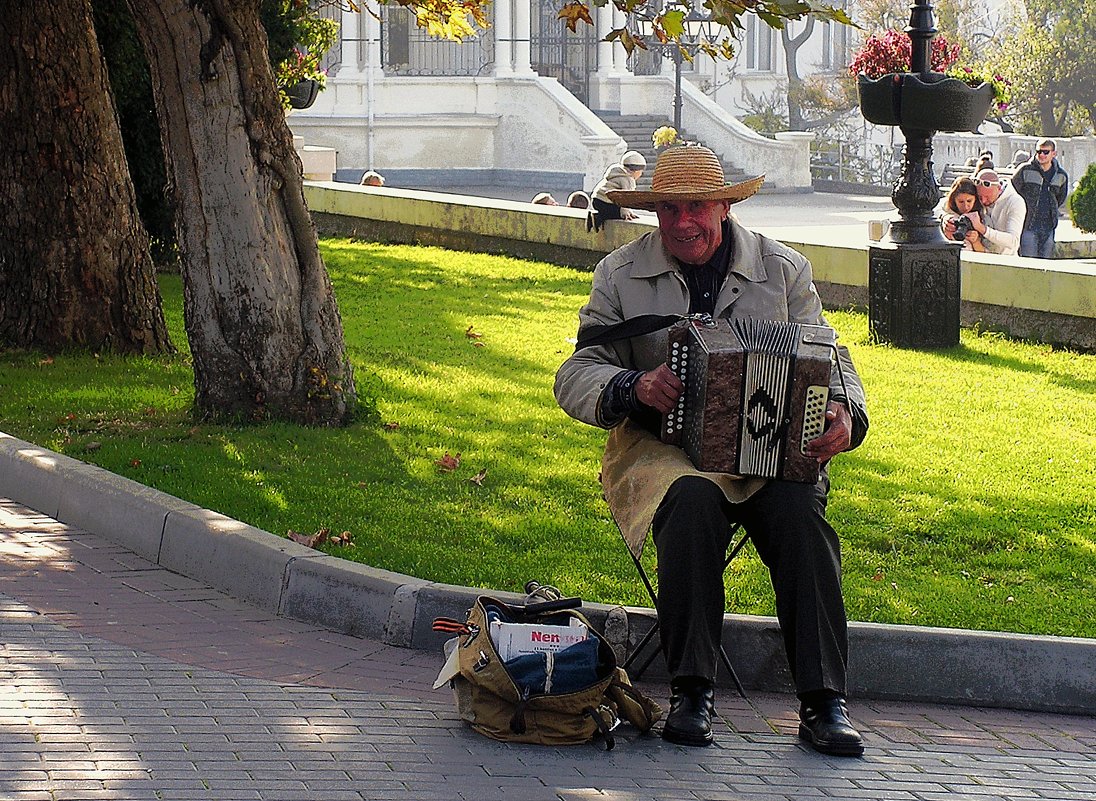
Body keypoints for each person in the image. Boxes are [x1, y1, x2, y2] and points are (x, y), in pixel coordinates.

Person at [554, 145, 869, 757]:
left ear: (724, 206)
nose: (682, 224)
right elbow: (578, 369)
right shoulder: (620, 272)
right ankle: (691, 690)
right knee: (692, 499)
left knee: (802, 520)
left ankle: (824, 702)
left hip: (767, 448)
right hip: (660, 448)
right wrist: (631, 386)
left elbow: (832, 358)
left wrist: (847, 417)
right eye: (668, 210)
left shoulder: (783, 270)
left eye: (697, 207)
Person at [1011, 139, 1069, 259]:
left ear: (1054, 153)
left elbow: (1060, 198)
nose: (1041, 155)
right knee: (1029, 263)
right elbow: (1013, 191)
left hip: (1048, 226)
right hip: (1028, 224)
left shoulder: (1061, 175)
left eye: (1045, 152)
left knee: (1045, 264)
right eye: (1039, 151)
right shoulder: (1025, 170)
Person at [944, 169, 1025, 256]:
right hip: (980, 255)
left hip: (1005, 260)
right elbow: (942, 206)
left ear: (999, 188)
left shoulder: (1015, 202)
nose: (983, 201)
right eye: (979, 196)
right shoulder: (975, 196)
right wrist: (945, 219)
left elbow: (1014, 242)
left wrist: (981, 228)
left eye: (987, 197)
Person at [587, 150, 647, 231]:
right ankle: (596, 217)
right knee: (618, 214)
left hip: (596, 199)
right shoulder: (628, 179)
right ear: (635, 171)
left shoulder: (616, 173)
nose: (641, 174)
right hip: (605, 201)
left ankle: (598, 215)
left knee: (611, 211)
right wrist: (625, 212)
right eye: (641, 172)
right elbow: (626, 197)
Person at [939, 176, 986, 252]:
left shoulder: (982, 215)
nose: (965, 206)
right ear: (954, 200)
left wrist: (976, 241)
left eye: (969, 201)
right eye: (961, 202)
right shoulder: (947, 212)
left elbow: (985, 253)